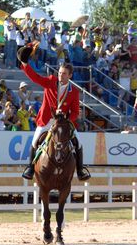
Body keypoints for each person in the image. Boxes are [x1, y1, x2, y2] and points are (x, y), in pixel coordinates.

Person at [19, 44, 90, 181]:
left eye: (63, 74)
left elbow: (75, 112)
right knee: (34, 142)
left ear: (70, 75)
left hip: (63, 123)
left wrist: (67, 117)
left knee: (79, 143)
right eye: (59, 73)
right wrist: (25, 64)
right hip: (47, 119)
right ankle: (30, 168)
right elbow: (35, 78)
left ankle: (80, 171)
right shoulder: (51, 81)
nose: (60, 75)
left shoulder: (74, 92)